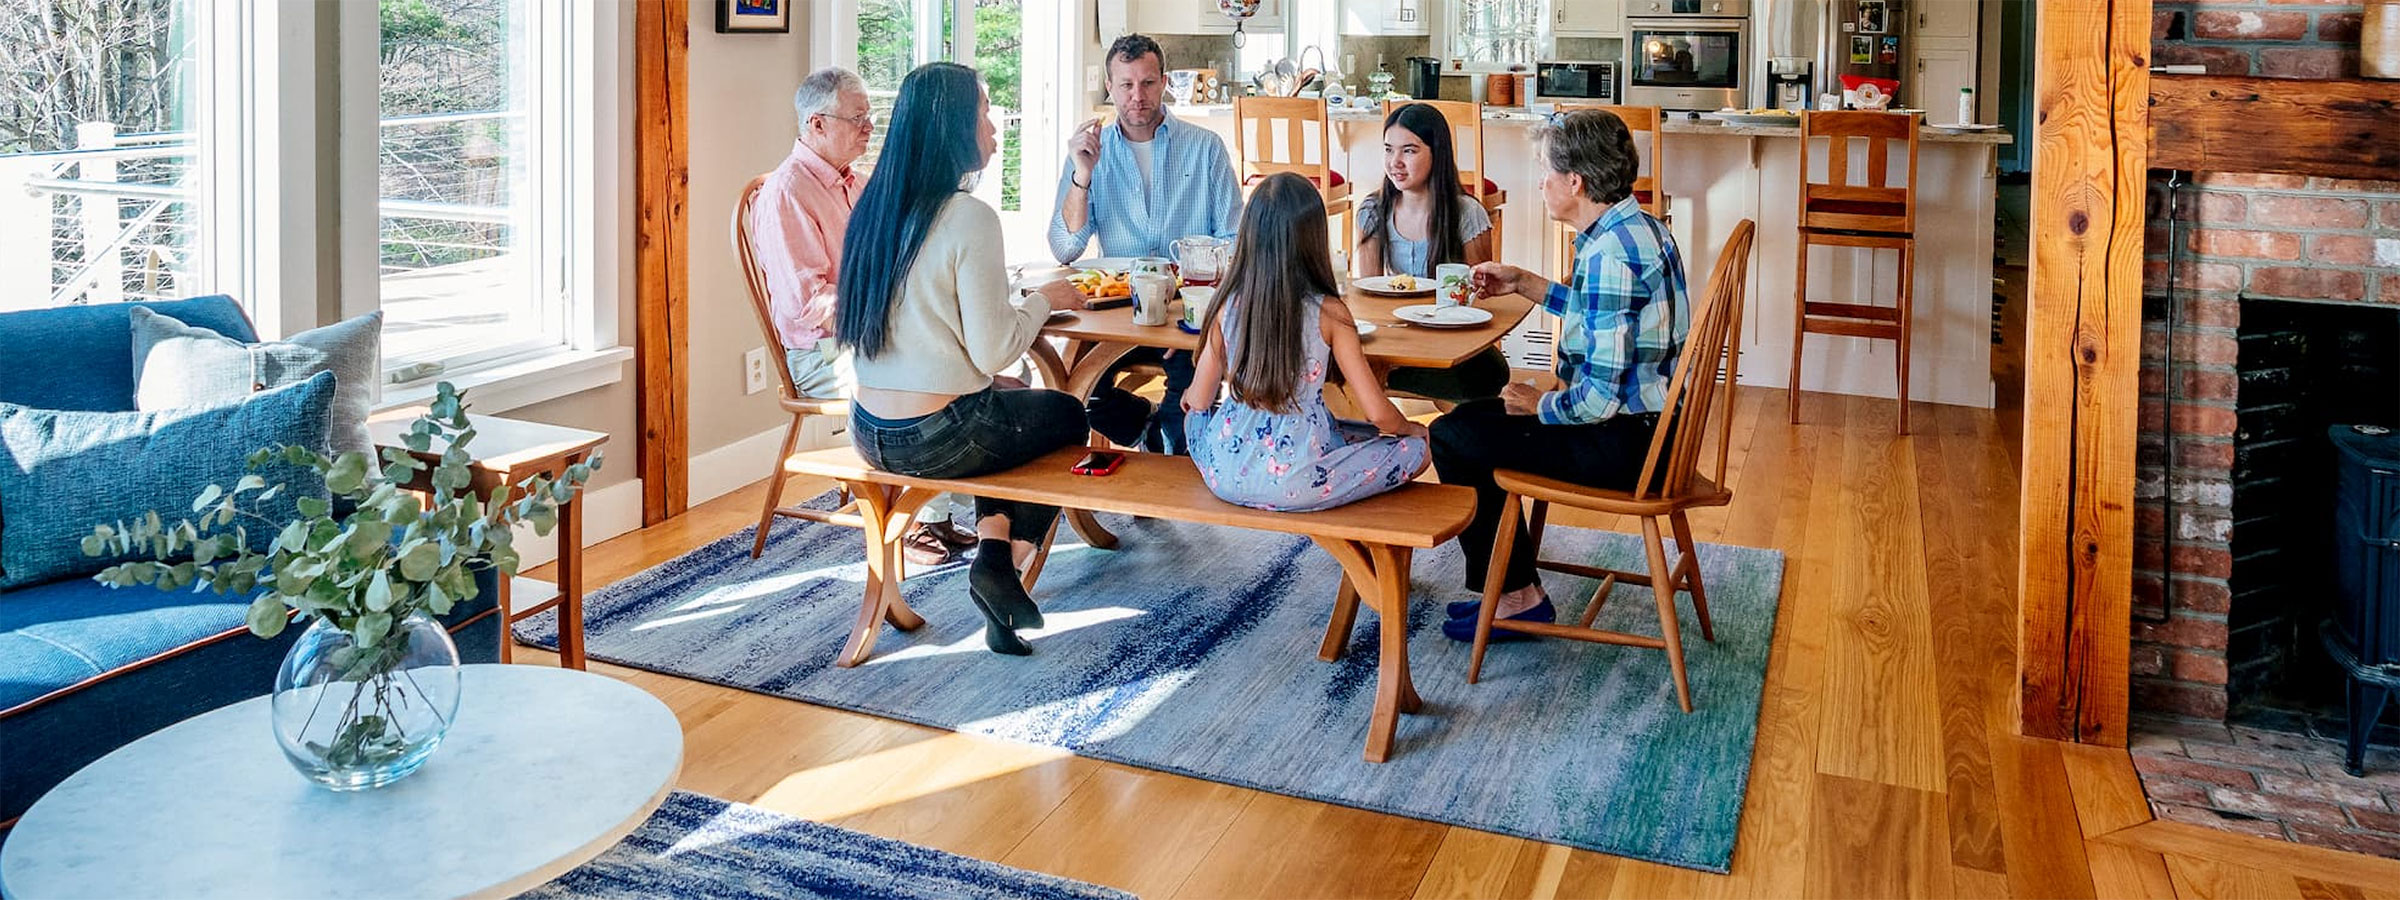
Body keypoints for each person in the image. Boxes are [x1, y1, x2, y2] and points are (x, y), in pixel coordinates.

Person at [837, 62, 1093, 657]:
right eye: (982, 109)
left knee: (1002, 408)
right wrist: (1041, 302)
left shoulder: (874, 209)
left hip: (869, 429)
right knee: (1066, 415)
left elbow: (935, 339)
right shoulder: (969, 218)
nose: (993, 121)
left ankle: (995, 555)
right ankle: (1006, 562)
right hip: (939, 436)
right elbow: (998, 347)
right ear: (953, 126)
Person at [1429, 110, 1690, 642]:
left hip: (1628, 447)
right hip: (1660, 430)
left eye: (1546, 172)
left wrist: (1537, 405)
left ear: (1576, 182)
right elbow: (1609, 319)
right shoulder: (1637, 230)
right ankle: (1515, 589)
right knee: (1472, 420)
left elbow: (1595, 403)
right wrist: (1527, 282)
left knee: (1455, 434)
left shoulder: (1608, 258)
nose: (1541, 183)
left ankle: (1517, 597)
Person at [748, 67, 974, 567]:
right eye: (857, 119)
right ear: (817, 124)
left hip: (872, 332)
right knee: (917, 379)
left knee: (962, 362)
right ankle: (911, 517)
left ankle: (936, 510)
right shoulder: (786, 194)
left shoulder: (862, 183)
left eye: (870, 118)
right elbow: (811, 306)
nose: (869, 129)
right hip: (821, 351)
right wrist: (892, 309)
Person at [1182, 173, 1430, 512]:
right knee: (1416, 449)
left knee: (1195, 420)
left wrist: (1190, 401)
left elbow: (1198, 401)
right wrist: (1412, 428)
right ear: (1314, 237)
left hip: (1223, 474)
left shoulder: (1226, 303)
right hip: (1296, 482)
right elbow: (1379, 415)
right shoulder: (1329, 313)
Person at [1050, 33, 1242, 455]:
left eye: (1148, 83)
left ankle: (1169, 442)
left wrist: (1195, 303)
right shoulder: (1089, 153)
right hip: (1116, 311)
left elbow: (1235, 241)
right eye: (1126, 85)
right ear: (1109, 87)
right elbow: (1065, 248)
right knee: (1075, 393)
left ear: (1165, 82)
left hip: (1189, 310)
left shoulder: (1205, 147)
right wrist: (1081, 177)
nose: (1138, 96)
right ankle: (1145, 429)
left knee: (1185, 420)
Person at [1355, 102, 1510, 404]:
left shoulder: (1467, 213)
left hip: (1449, 341)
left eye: (1409, 151)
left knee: (1489, 373)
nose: (1395, 162)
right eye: (1388, 150)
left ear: (1437, 154)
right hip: (1396, 341)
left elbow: (1477, 299)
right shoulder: (1373, 211)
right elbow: (1368, 300)